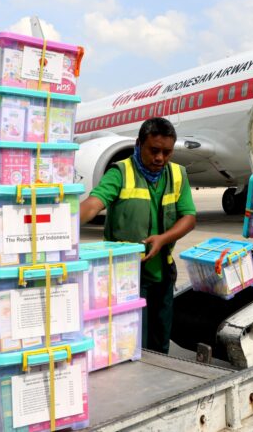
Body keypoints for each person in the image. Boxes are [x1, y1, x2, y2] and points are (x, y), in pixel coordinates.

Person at [80, 117, 196, 353]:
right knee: (132, 343)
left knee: (161, 341)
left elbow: (189, 218)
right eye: (154, 150)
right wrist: (60, 228)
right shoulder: (120, 172)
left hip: (162, 272)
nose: (160, 158)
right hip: (125, 274)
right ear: (138, 144)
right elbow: (93, 204)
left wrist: (163, 239)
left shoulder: (177, 174)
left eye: (167, 152)